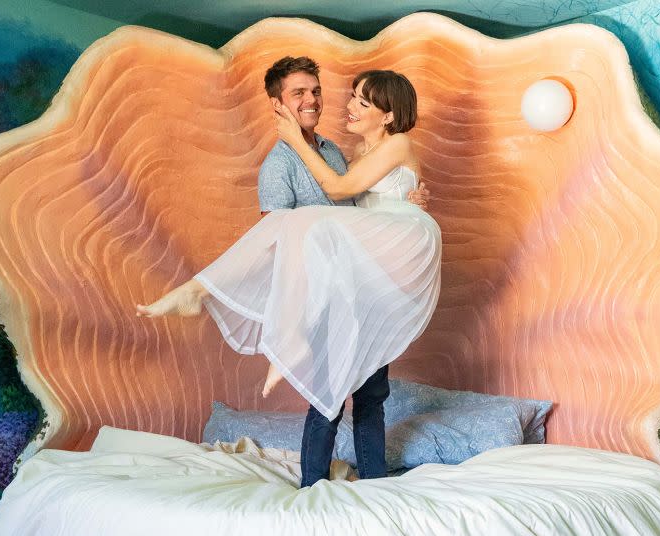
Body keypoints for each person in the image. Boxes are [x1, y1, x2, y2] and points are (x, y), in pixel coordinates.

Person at [136, 59, 441, 487]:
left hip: (367, 282)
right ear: (278, 105)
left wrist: (413, 201)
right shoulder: (281, 165)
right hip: (328, 288)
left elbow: (350, 201)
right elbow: (272, 241)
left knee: (371, 393)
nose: (315, 100)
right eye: (299, 93)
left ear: (387, 113)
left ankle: (376, 485)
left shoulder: (340, 151)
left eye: (316, 90)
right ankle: (311, 482)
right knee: (329, 396)